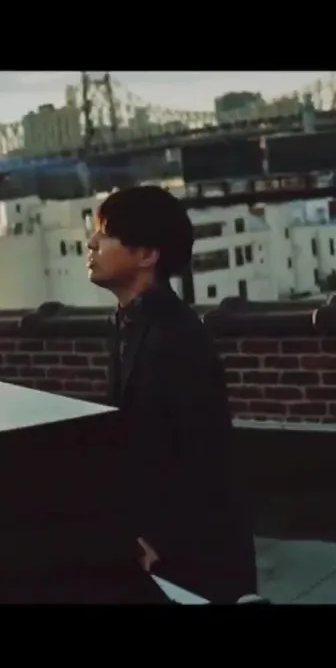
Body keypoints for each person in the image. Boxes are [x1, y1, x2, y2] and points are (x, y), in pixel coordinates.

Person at [85, 185, 258, 604]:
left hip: (189, 559)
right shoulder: (127, 324)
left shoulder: (176, 336)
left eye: (105, 235)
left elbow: (207, 458)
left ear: (147, 255)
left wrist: (159, 542)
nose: (91, 243)